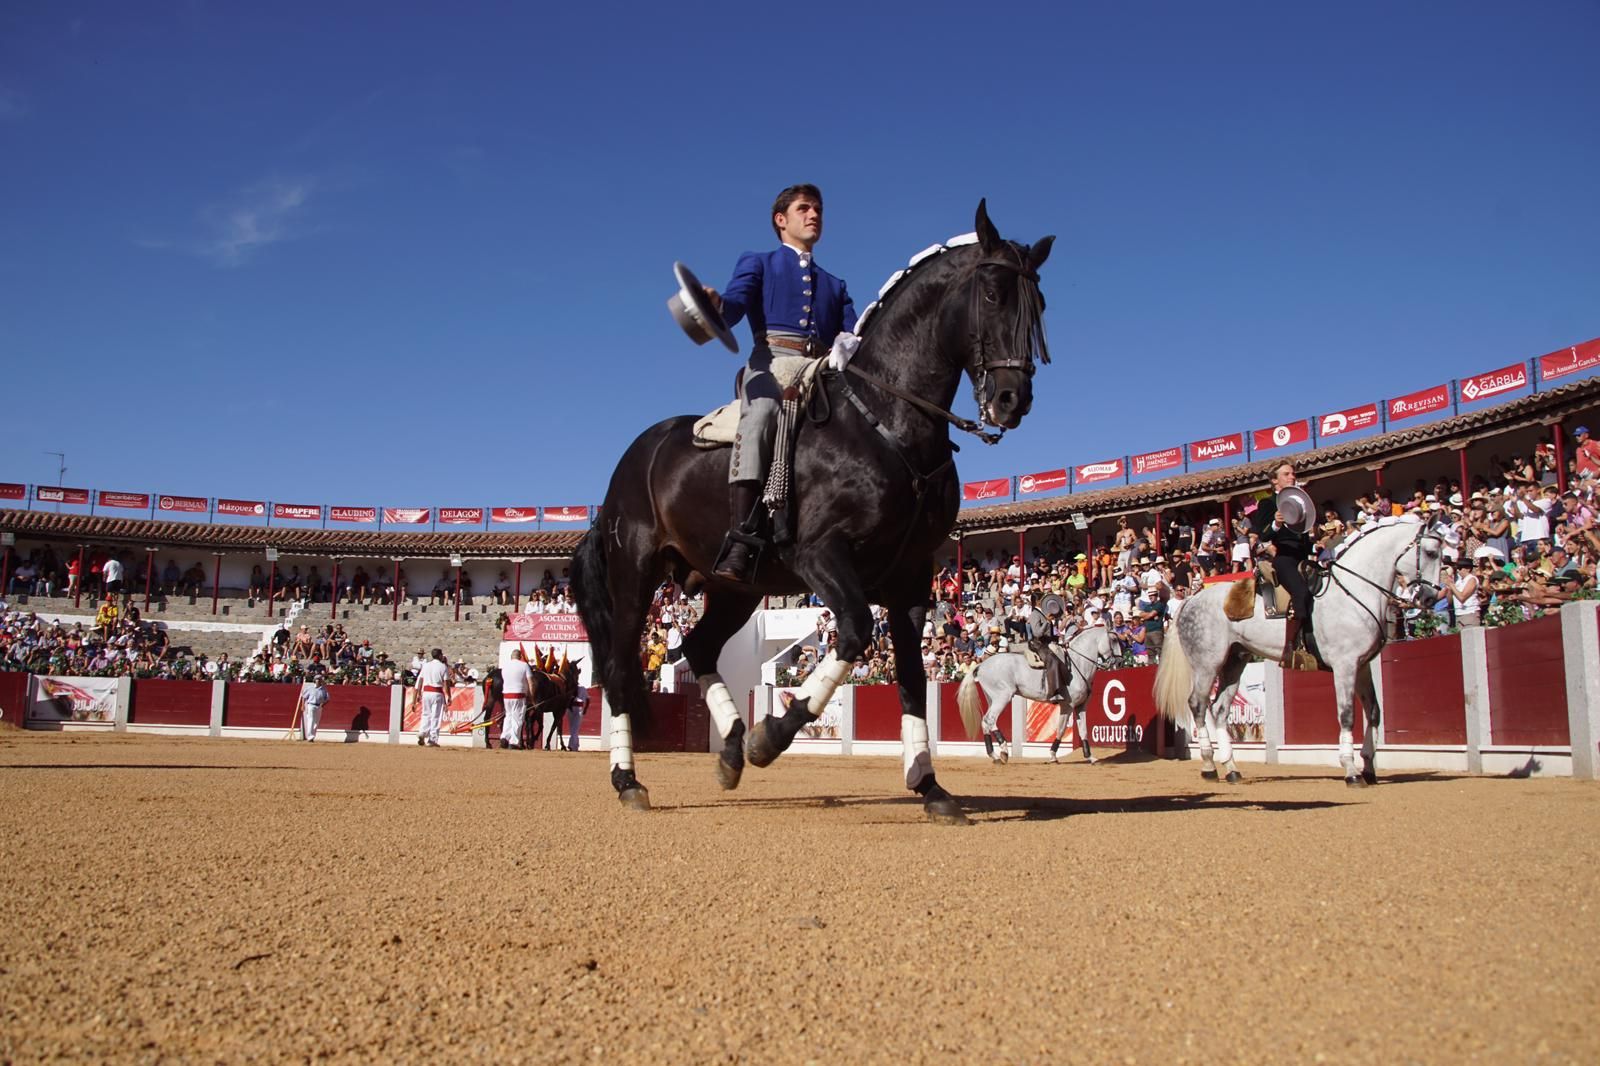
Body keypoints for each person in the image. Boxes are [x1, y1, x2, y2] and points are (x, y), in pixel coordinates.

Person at [704, 183, 858, 582]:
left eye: (818, 210)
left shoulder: (835, 284)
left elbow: (854, 332)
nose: (814, 215)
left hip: (822, 367)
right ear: (781, 219)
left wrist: (848, 342)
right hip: (772, 361)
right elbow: (735, 307)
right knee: (761, 416)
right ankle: (742, 538)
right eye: (804, 208)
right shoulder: (759, 262)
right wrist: (717, 304)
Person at [1250, 461, 1321, 666]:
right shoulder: (1267, 504)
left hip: (1304, 557)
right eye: (1286, 474)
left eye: (1293, 473)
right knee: (1301, 592)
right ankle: (1293, 647)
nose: (1292, 477)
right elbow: (1263, 534)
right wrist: (1276, 524)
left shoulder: (1302, 502)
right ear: (1274, 480)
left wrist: (1314, 542)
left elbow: (1307, 533)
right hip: (1285, 557)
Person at [415, 648, 451, 747]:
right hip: (437, 692)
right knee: (436, 716)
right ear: (439, 656)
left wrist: (419, 693)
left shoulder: (426, 665)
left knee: (426, 714)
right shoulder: (443, 667)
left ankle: (422, 732)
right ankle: (432, 739)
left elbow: (421, 679)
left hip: (426, 692)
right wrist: (449, 696)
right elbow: (446, 683)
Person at [499, 649, 533, 750]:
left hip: (506, 695)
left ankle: (504, 736)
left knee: (508, 716)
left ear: (511, 656)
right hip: (519, 694)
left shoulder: (505, 666)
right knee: (517, 718)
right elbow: (530, 681)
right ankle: (513, 741)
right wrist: (530, 696)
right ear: (520, 656)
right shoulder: (524, 665)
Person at [295, 670, 330, 742]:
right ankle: (310, 737)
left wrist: (323, 704)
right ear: (315, 680)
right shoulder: (310, 688)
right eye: (317, 679)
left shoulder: (324, 689)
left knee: (316, 722)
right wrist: (303, 706)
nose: (319, 681)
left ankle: (312, 737)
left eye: (320, 679)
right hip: (311, 705)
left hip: (319, 706)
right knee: (311, 720)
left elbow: (327, 699)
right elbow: (304, 697)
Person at [567, 680, 588, 752]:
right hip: (578, 708)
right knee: (575, 728)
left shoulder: (570, 688)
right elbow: (588, 699)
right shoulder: (583, 689)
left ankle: (573, 745)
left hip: (571, 708)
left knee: (573, 728)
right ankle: (574, 746)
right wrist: (585, 709)